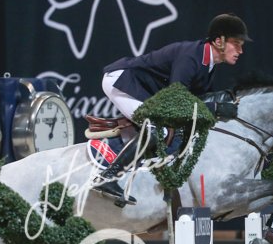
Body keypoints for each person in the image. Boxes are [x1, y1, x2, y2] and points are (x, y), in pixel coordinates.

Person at [91, 13, 251, 205]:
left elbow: (196, 100)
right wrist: (214, 107)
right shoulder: (191, 56)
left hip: (145, 89)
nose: (241, 50)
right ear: (219, 41)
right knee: (156, 130)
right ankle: (107, 177)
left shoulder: (208, 65)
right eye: (236, 43)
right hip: (122, 81)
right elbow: (176, 99)